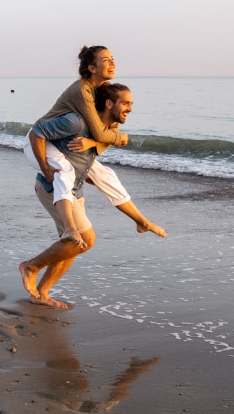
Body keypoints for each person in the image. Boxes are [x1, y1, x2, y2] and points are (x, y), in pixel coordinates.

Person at [19, 83, 167, 309]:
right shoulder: (76, 123)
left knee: (72, 243)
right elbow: (37, 134)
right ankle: (30, 267)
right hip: (52, 188)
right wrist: (45, 167)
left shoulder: (109, 131)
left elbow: (97, 158)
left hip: (75, 189)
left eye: (131, 104)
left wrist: (92, 146)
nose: (130, 108)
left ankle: (41, 293)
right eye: (125, 103)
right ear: (109, 103)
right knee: (85, 239)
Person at [23, 46, 128, 207]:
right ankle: (67, 226)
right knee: (65, 172)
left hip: (58, 137)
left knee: (104, 174)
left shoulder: (104, 88)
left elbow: (110, 130)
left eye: (112, 58)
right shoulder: (82, 90)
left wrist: (93, 143)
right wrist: (120, 139)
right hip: (39, 138)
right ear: (92, 68)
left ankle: (140, 221)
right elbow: (102, 134)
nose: (112, 63)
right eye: (106, 60)